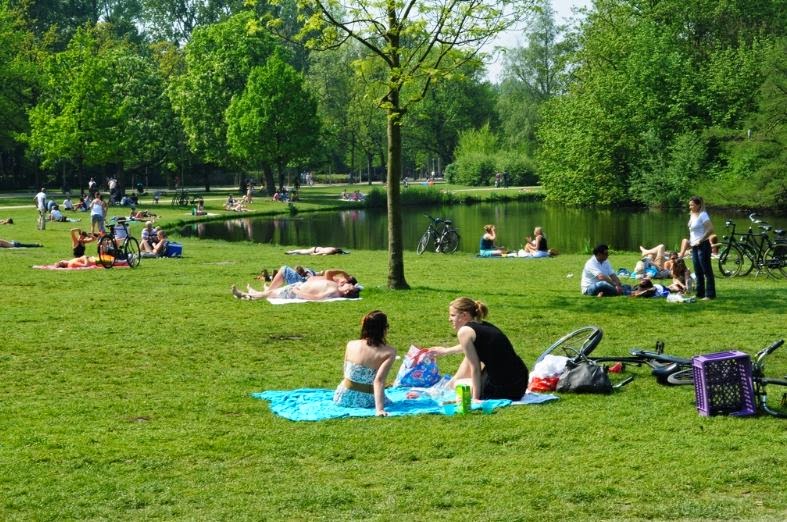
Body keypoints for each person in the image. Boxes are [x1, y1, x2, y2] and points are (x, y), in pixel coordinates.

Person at [427, 297, 528, 401]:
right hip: (519, 381)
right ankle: (449, 386)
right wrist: (445, 351)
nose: (449, 319)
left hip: (505, 388)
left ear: (464, 315)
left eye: (452, 315)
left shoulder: (464, 331)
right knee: (469, 357)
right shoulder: (482, 325)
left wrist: (476, 398)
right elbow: (469, 347)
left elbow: (475, 368)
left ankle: (451, 385)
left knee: (459, 385)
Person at [333, 310, 397, 415]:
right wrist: (379, 409)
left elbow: (346, 370)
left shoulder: (351, 344)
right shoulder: (389, 352)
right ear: (384, 329)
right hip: (365, 400)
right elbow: (379, 381)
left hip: (342, 396)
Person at [231, 276, 360, 301]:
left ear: (347, 291)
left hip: (296, 291)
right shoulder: (337, 288)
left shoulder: (334, 291)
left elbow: (316, 297)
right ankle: (252, 293)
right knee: (271, 293)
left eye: (349, 285)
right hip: (297, 287)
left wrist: (298, 292)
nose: (347, 283)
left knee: (270, 293)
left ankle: (242, 294)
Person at [688, 196, 716, 300]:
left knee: (706, 271)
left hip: (703, 245)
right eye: (689, 204)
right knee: (697, 270)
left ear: (698, 205)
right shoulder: (692, 215)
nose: (690, 206)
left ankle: (710, 294)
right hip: (694, 246)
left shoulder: (703, 215)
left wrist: (701, 239)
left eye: (692, 205)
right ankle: (700, 293)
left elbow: (710, 229)